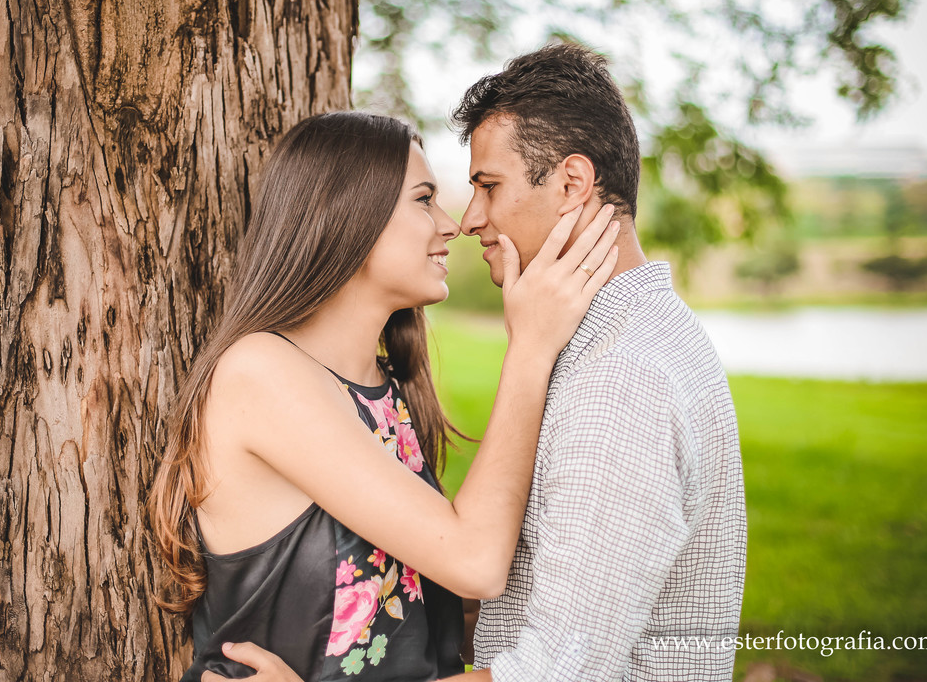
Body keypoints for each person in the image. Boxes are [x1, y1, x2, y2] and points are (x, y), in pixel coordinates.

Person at [212, 43, 747, 682]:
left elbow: (553, 670)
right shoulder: (617, 351)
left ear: (572, 184)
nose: (465, 221)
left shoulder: (619, 380)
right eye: (430, 198)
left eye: (488, 186)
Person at [149, 110, 622, 681]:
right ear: (346, 213)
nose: (451, 225)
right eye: (424, 199)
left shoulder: (381, 388)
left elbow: (414, 609)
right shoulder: (262, 373)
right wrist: (531, 346)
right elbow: (474, 561)